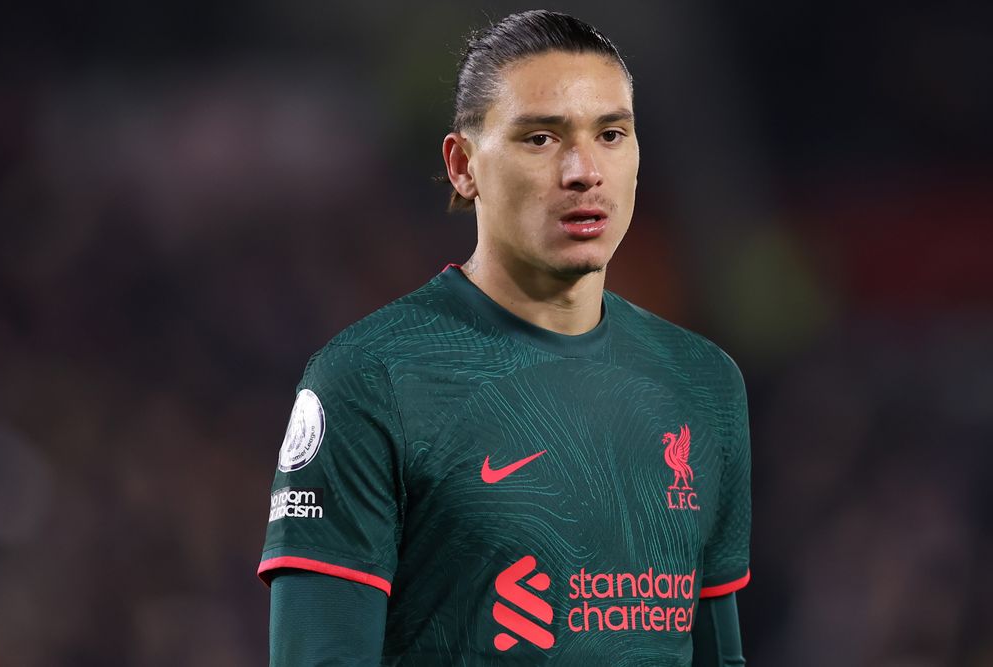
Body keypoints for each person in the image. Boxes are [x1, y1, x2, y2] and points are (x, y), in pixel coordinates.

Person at [258, 10, 750, 665]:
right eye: (540, 139)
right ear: (463, 166)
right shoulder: (370, 380)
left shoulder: (702, 383)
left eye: (610, 133)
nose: (582, 171)